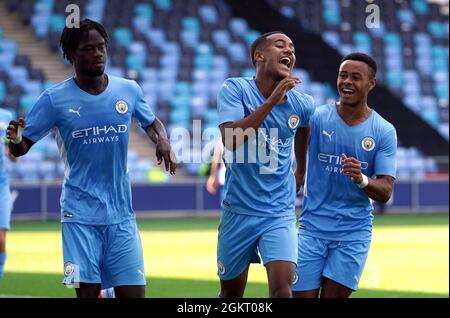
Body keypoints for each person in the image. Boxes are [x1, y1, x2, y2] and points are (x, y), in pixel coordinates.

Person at [6, 19, 176, 298]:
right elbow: (21, 147)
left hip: (122, 216)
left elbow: (152, 122)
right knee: (87, 295)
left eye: (101, 47)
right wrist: (13, 139)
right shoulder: (54, 100)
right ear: (72, 54)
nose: (98, 53)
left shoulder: (128, 90)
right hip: (79, 216)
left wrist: (164, 140)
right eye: (88, 48)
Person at [216, 31, 315, 298]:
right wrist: (271, 102)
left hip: (278, 212)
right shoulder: (234, 88)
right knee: (231, 294)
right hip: (239, 210)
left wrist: (301, 170)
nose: (290, 51)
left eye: (292, 48)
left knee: (283, 288)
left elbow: (304, 128)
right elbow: (231, 139)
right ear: (259, 56)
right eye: (280, 45)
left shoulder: (302, 103)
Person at [292, 53, 397, 298]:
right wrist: (301, 170)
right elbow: (294, 134)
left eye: (355, 77)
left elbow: (385, 191)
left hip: (353, 233)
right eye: (343, 75)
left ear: (370, 84)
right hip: (312, 229)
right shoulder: (317, 118)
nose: (347, 82)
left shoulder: (383, 130)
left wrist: (361, 179)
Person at [0, 108, 16, 280]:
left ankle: (0, 273)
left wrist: (15, 140)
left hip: (1, 184)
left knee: (1, 239)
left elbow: (14, 156)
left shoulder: (6, 116)